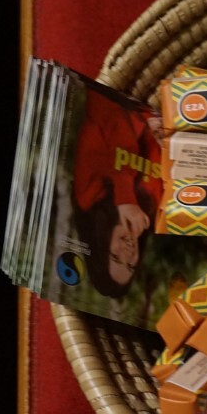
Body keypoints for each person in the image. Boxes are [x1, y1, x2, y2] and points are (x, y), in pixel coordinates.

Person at [72, 87, 163, 298]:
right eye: (131, 265)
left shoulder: (87, 196)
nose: (128, 255)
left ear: (101, 245)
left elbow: (102, 109)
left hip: (121, 91)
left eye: (115, 257)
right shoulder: (154, 213)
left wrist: (125, 199)